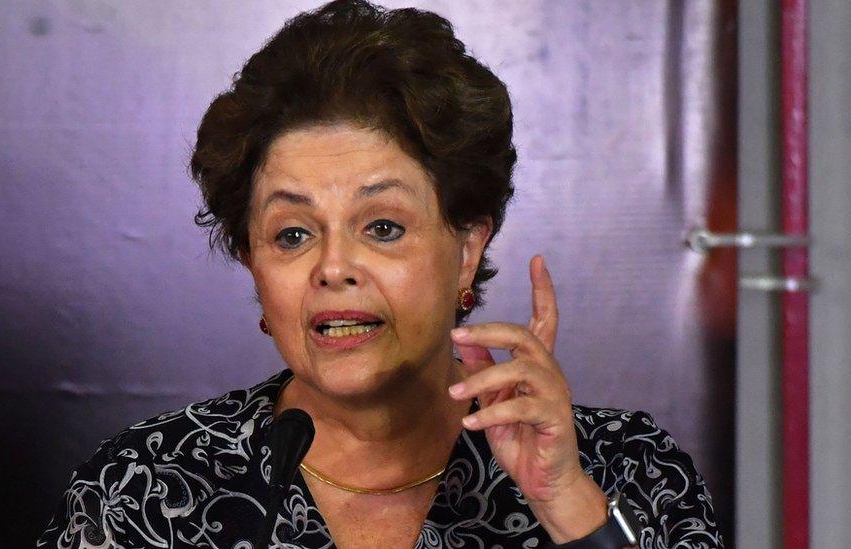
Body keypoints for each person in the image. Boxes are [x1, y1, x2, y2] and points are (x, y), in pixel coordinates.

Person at [37, 1, 723, 547]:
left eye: (383, 227)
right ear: (254, 266)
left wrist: (564, 500)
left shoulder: (624, 468)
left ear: (467, 245)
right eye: (294, 234)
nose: (334, 267)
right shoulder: (145, 490)